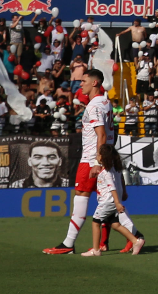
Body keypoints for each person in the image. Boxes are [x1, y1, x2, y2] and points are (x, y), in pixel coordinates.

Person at [44, 69, 113, 255]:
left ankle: (68, 243)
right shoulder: (106, 103)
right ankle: (115, 240)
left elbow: (102, 135)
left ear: (95, 83)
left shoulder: (94, 106)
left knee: (82, 195)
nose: (80, 84)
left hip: (92, 158)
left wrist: (97, 161)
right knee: (107, 201)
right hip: (104, 156)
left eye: (84, 81)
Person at [82, 145, 145, 256]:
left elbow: (112, 188)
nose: (97, 156)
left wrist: (117, 202)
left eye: (98, 154)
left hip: (107, 202)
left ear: (103, 157)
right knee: (115, 224)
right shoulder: (114, 169)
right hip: (111, 201)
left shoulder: (106, 172)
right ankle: (136, 241)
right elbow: (119, 182)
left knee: (95, 223)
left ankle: (96, 250)